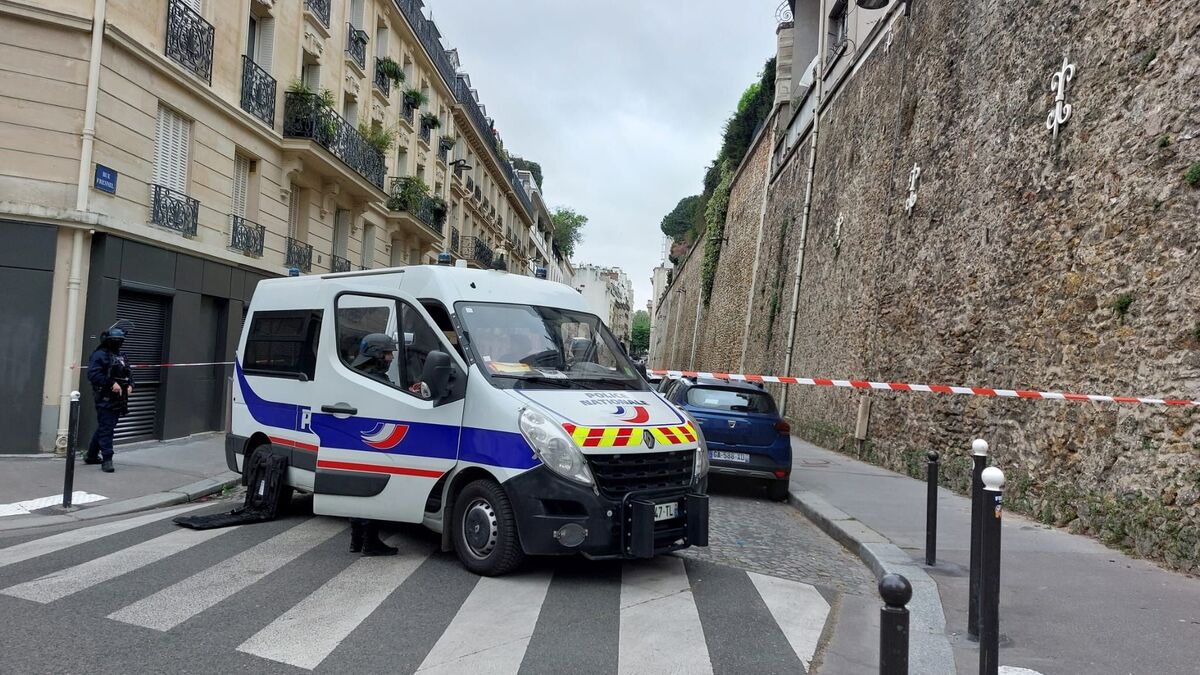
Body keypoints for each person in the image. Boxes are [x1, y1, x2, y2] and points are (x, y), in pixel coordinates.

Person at [347, 332, 401, 556]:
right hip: (372, 440)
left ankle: (356, 540)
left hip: (355, 441)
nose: (390, 358)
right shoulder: (374, 378)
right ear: (375, 353)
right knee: (372, 491)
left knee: (357, 490)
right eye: (387, 353)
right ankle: (371, 543)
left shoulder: (353, 372)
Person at [85, 327, 133, 473]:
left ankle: (91, 455)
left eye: (120, 341)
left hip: (120, 397)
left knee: (105, 427)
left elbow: (128, 373)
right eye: (115, 341)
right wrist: (111, 383)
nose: (118, 343)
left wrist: (131, 384)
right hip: (105, 397)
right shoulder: (99, 355)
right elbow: (93, 375)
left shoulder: (121, 356)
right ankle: (107, 459)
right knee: (107, 428)